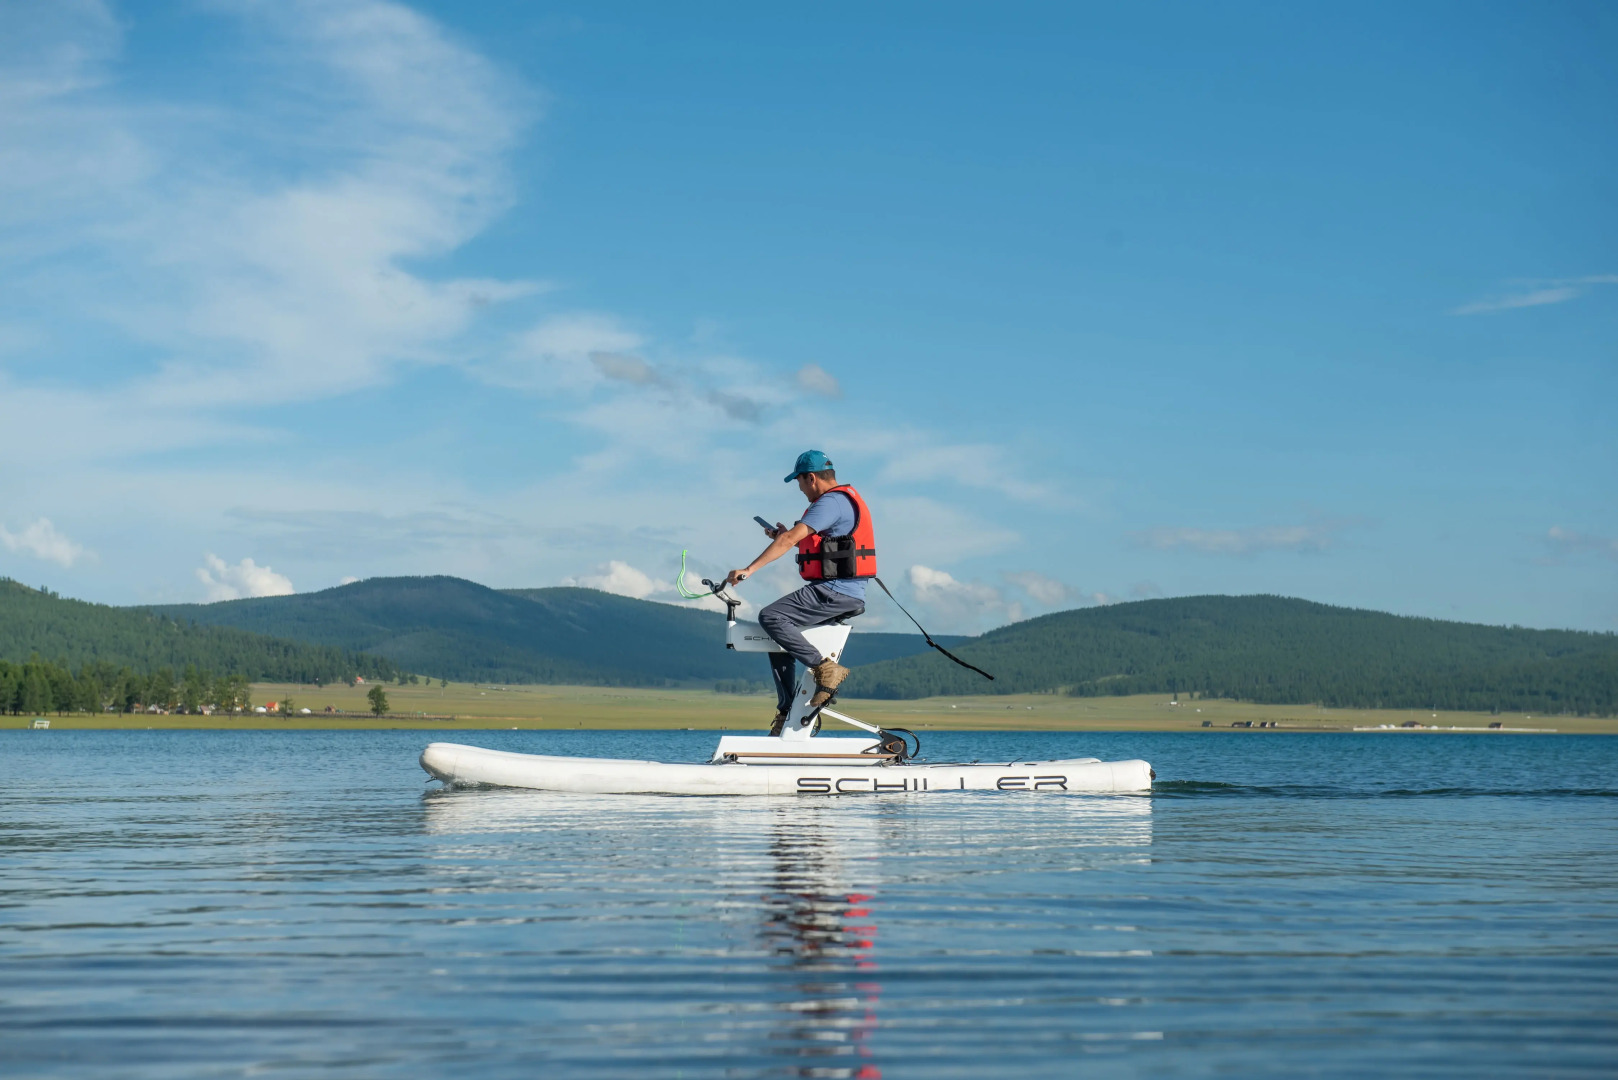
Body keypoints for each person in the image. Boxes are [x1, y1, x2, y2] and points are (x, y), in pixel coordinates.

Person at [725, 450, 878, 735]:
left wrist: (749, 570)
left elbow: (790, 539)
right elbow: (811, 545)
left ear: (811, 478)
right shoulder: (842, 501)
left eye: (799, 482)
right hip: (841, 589)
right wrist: (785, 536)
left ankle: (826, 670)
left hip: (835, 590)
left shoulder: (830, 502)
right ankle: (787, 712)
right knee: (779, 637)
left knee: (771, 617)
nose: (799, 488)